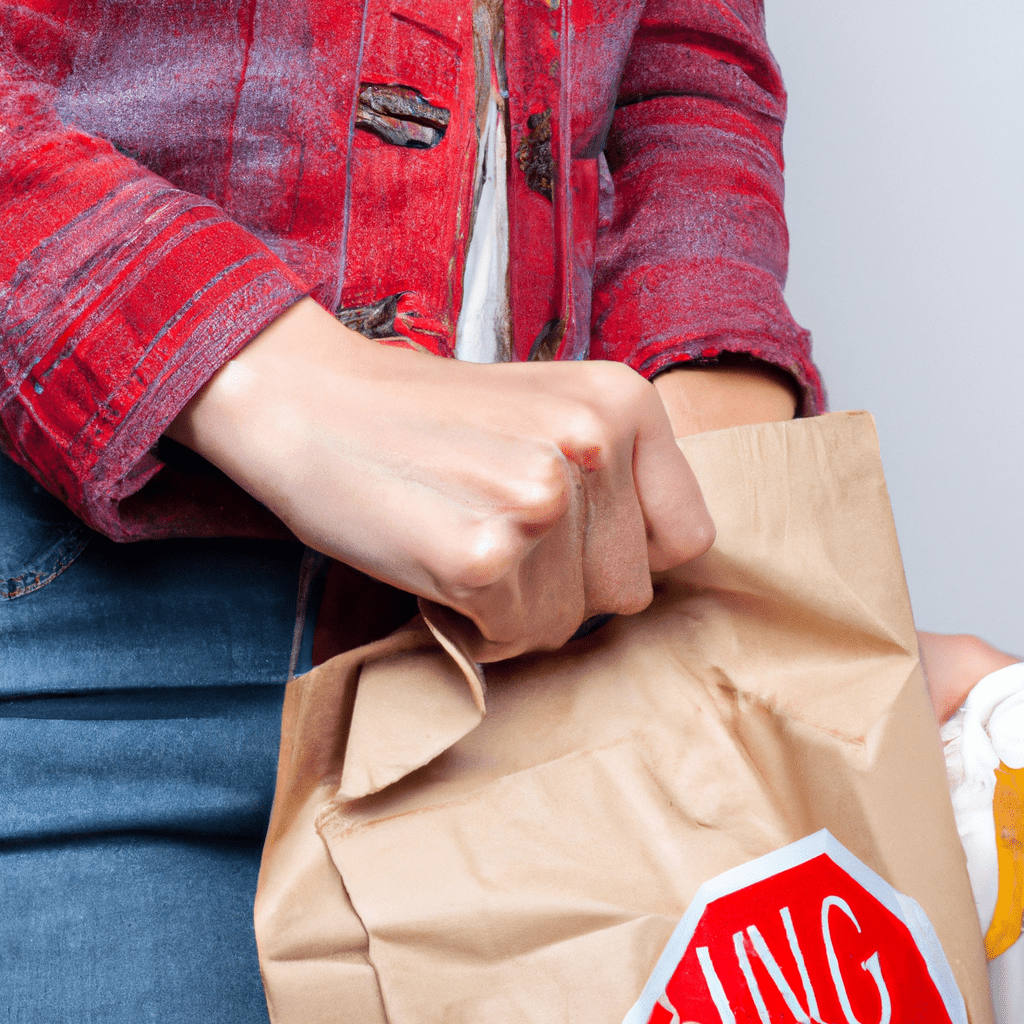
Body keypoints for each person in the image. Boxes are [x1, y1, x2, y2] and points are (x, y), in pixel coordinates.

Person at [0, 0, 821, 1019]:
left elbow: (687, 62)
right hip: (76, 666)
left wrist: (751, 557)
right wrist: (273, 381)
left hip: (544, 637)